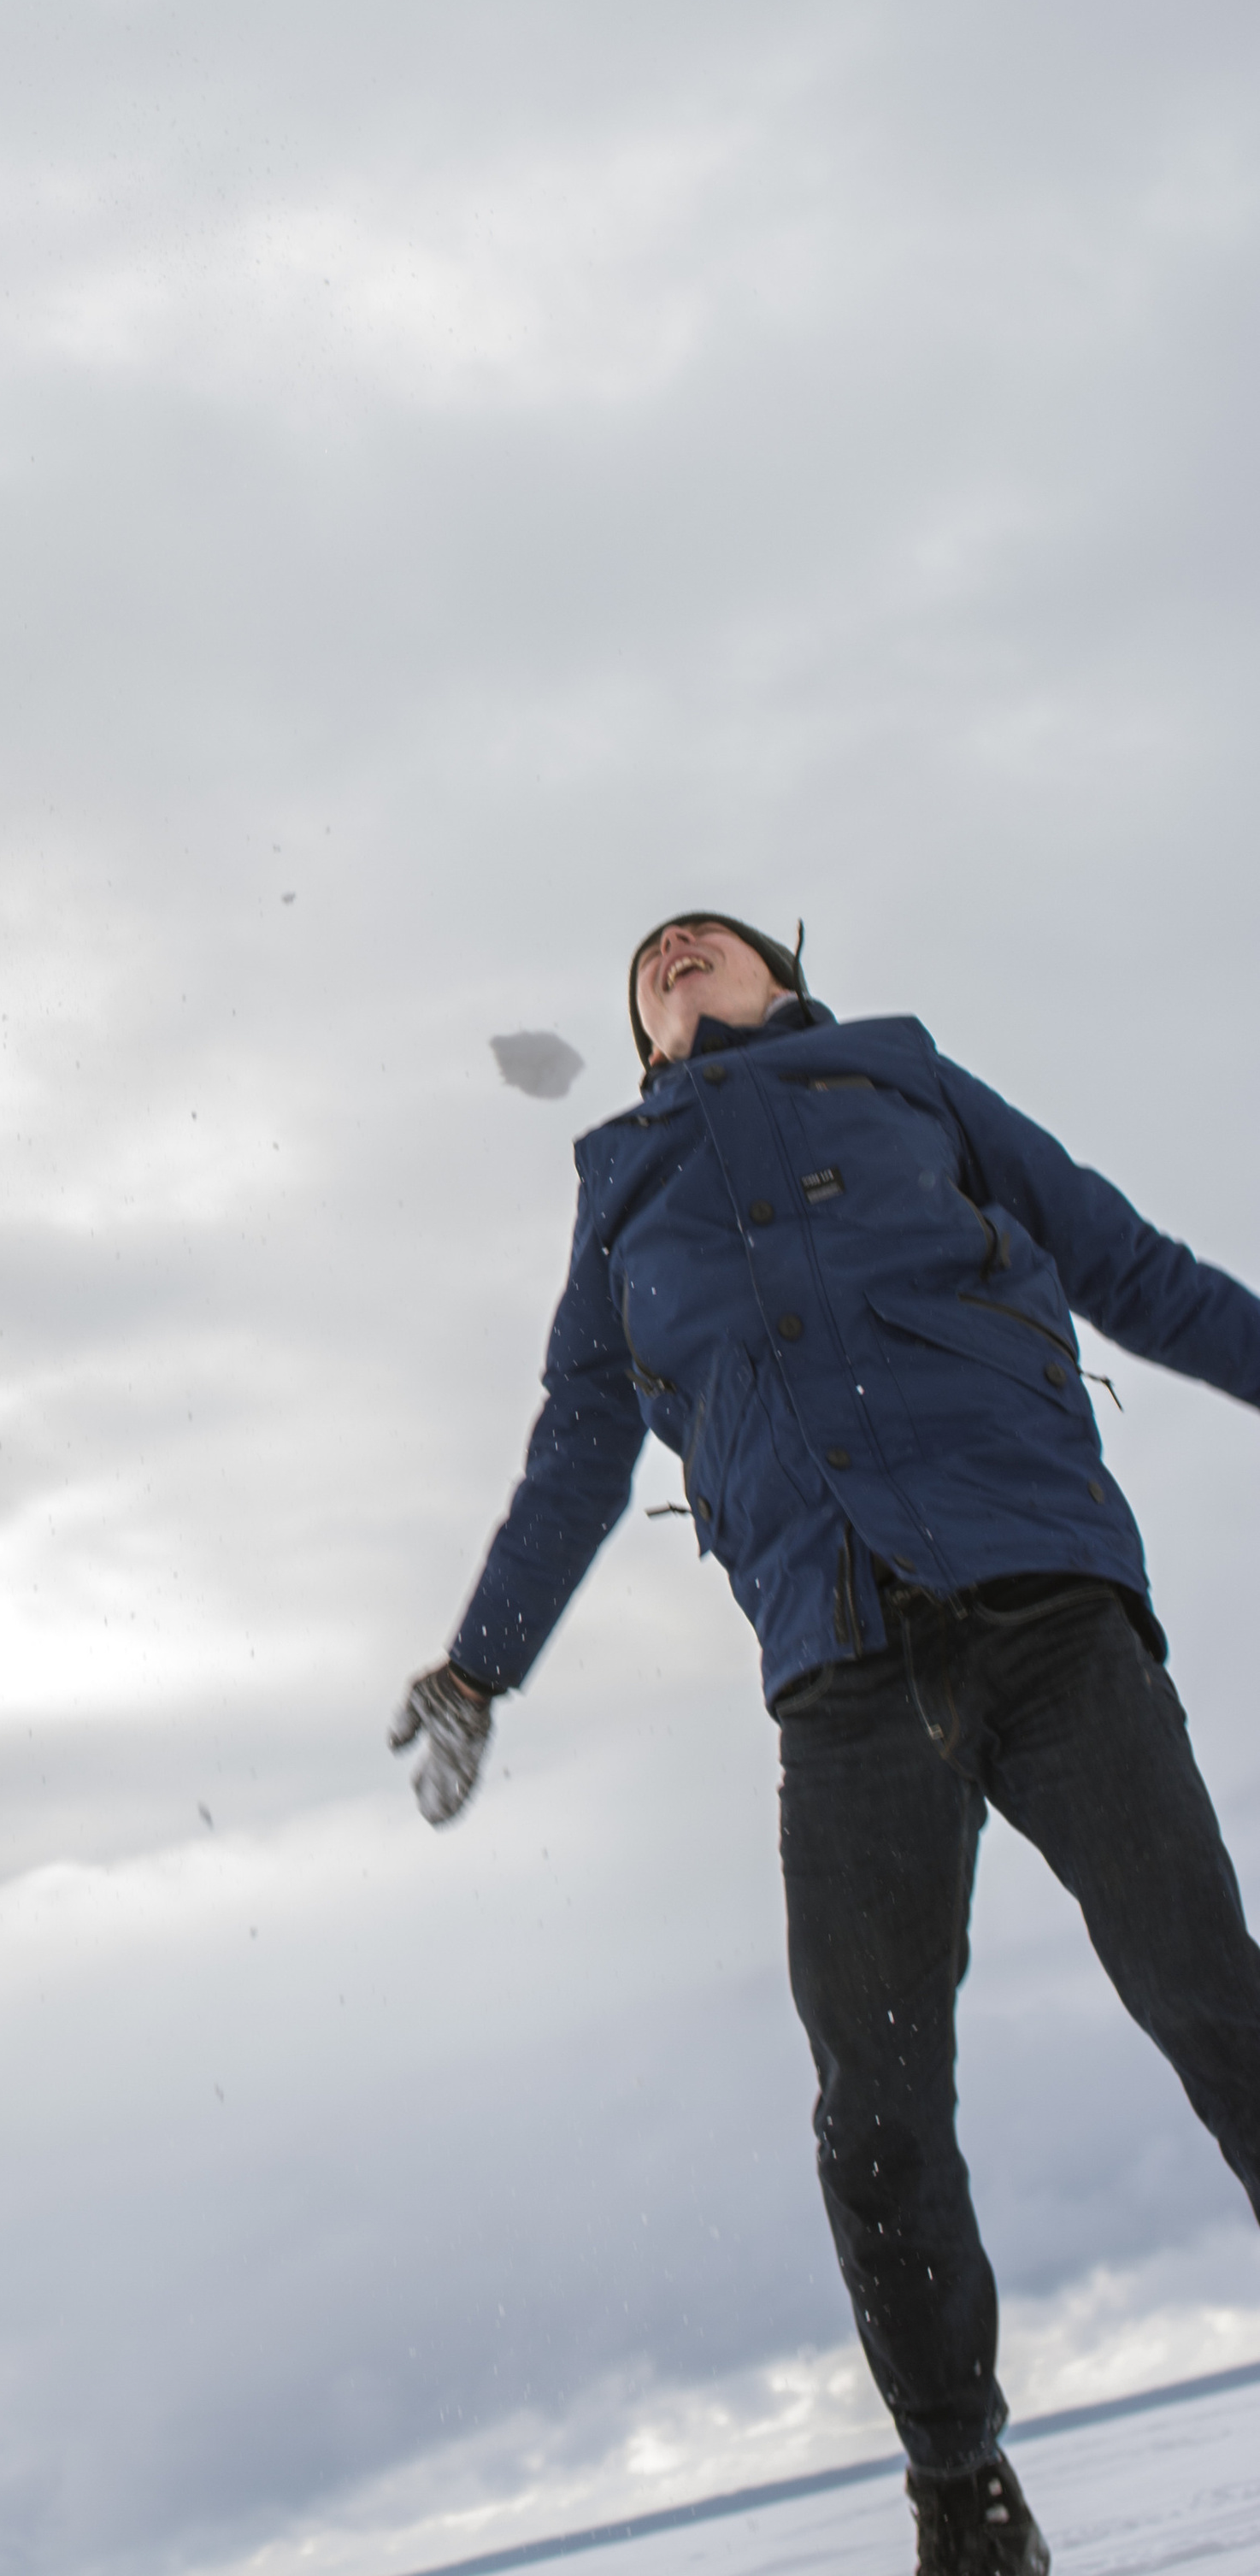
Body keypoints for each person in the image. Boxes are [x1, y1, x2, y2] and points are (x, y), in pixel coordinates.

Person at [392, 913, 1260, 2576]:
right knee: (872, 2113)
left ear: (784, 983)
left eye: (704, 943)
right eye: (645, 968)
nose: (672, 961)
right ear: (640, 1044)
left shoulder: (902, 1079)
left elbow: (1122, 1261)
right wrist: (477, 1666)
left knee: (1211, 1998)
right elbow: (580, 1444)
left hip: (1045, 1613)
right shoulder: (623, 1191)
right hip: (845, 1678)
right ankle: (962, 2498)